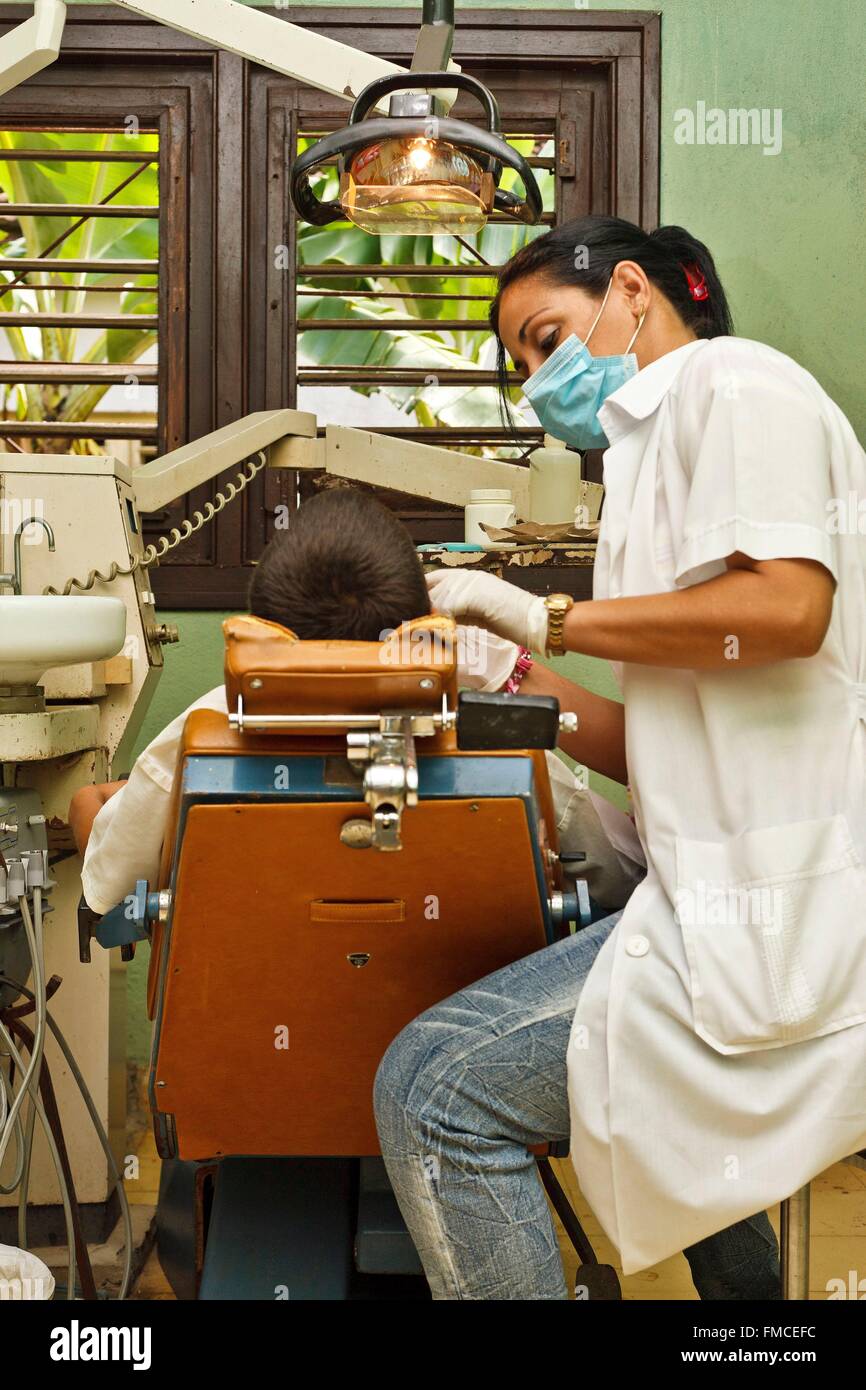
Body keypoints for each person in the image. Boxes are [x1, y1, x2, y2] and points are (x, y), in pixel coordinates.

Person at [72, 483, 767, 1299]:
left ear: (261, 625)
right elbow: (616, 881)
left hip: (262, 1082)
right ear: (420, 617)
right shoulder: (509, 757)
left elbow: (107, 883)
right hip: (470, 1084)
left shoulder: (198, 741)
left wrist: (96, 809)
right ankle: (755, 1307)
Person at [373, 213, 866, 1298]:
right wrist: (513, 674)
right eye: (518, 365)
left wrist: (546, 617)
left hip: (779, 912)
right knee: (686, 1154)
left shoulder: (733, 385)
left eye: (546, 338)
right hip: (720, 892)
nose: (536, 379)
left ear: (631, 292)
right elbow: (662, 746)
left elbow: (786, 610)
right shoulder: (648, 461)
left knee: (431, 1090)